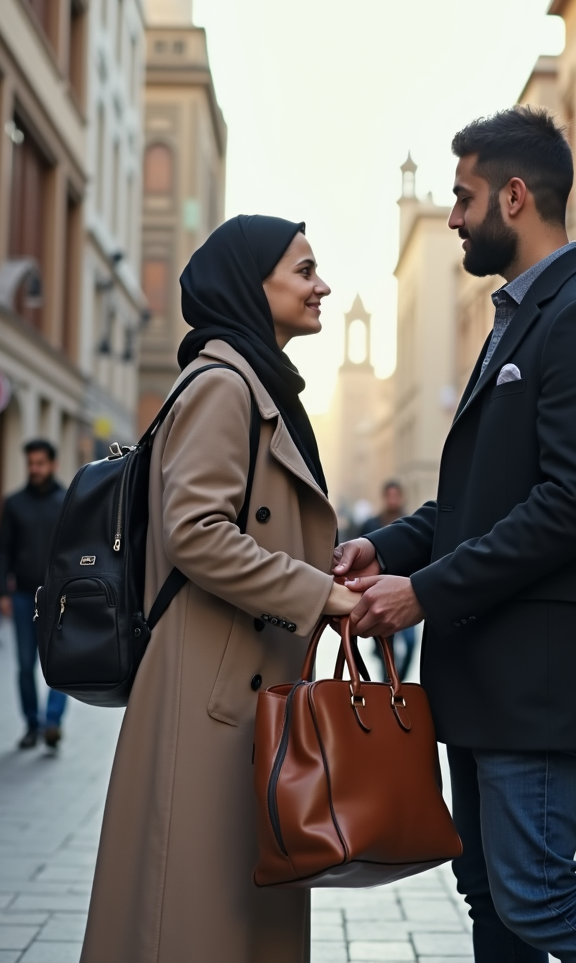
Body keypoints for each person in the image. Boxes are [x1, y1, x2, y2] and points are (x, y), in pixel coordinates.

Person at [334, 108, 576, 962]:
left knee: (541, 899)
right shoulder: (516, 319)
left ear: (514, 197)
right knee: (489, 897)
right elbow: (476, 502)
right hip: (483, 678)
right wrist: (392, 549)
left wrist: (425, 593)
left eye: (463, 197)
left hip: (535, 684)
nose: (451, 217)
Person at [80, 216, 360, 963]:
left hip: (239, 683)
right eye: (304, 270)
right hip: (213, 687)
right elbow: (195, 531)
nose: (321, 284)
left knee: (230, 909)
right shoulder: (224, 385)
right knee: (192, 915)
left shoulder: (251, 381)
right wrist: (318, 593)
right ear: (251, 284)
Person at [0, 439, 67, 749]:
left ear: (52, 464)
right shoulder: (13, 503)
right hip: (24, 596)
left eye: (40, 463)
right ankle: (31, 724)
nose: (34, 469)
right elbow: (4, 551)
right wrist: (1, 592)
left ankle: (52, 723)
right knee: (25, 665)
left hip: (59, 598)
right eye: (31, 463)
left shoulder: (67, 501)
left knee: (59, 663)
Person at [359, 480, 417, 679]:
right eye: (389, 495)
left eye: (396, 495)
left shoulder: (411, 523)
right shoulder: (372, 523)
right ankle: (387, 685)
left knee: (410, 642)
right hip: (378, 592)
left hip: (407, 591)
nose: (393, 499)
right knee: (386, 647)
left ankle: (399, 679)